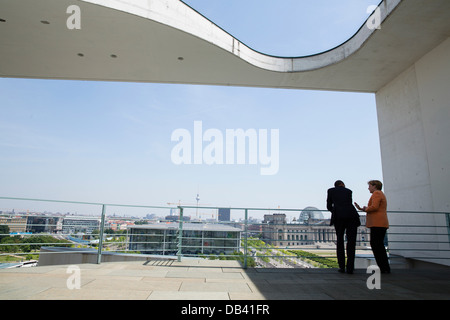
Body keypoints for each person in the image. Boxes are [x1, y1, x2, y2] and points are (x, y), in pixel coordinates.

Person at [355, 180, 390, 273]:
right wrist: (362, 209)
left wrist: (366, 208)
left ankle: (384, 268)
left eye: (370, 186)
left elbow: (374, 207)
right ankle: (384, 268)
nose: (368, 188)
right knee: (379, 246)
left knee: (376, 245)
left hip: (377, 223)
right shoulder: (380, 193)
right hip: (380, 223)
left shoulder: (377, 193)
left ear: (375, 186)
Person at [327, 180, 361, 274]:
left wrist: (335, 211)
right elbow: (348, 204)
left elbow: (329, 206)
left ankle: (342, 267)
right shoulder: (348, 191)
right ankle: (350, 267)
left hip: (339, 217)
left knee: (340, 241)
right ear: (342, 185)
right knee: (351, 242)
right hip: (352, 217)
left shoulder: (331, 191)